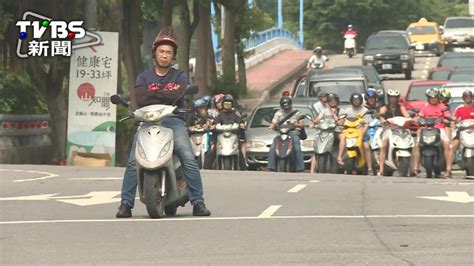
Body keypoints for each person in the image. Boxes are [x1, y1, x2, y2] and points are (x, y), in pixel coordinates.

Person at [116, 26, 211, 218]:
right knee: (134, 161)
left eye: (169, 52)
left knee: (187, 156)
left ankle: (198, 202)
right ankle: (125, 204)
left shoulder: (180, 76)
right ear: (154, 53)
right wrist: (165, 94)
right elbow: (141, 99)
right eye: (161, 51)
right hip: (147, 122)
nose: (165, 55)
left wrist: (155, 94)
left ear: (173, 55)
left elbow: (177, 94)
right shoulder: (143, 76)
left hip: (173, 121)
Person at [412, 88, 451, 177]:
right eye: (431, 97)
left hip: (439, 129)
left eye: (435, 97)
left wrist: (445, 120)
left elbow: (449, 117)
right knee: (417, 144)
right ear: (428, 98)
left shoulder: (443, 107)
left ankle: (448, 169)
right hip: (426, 129)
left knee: (446, 144)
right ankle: (415, 168)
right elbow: (419, 117)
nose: (433, 99)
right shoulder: (425, 108)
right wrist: (415, 120)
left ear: (438, 97)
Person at [337, 93, 376, 175]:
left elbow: (367, 124)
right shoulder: (347, 111)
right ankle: (340, 158)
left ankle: (369, 168)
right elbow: (341, 121)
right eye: (354, 100)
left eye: (358, 100)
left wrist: (363, 132)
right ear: (351, 101)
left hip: (361, 133)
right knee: (342, 141)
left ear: (361, 101)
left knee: (366, 147)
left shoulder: (365, 111)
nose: (356, 102)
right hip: (349, 132)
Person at [267, 96, 305, 172]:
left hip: (293, 133)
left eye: (287, 107)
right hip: (281, 134)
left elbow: (302, 125)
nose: (286, 108)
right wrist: (271, 127)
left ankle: (300, 167)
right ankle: (271, 166)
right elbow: (274, 123)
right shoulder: (278, 113)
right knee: (273, 147)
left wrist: (294, 124)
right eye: (284, 107)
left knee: (297, 147)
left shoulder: (297, 113)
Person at [377, 89, 411, 175]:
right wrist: (383, 120)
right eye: (391, 97)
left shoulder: (401, 107)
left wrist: (409, 119)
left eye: (395, 97)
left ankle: (413, 168)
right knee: (384, 145)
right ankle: (381, 168)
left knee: (410, 144)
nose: (393, 99)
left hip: (400, 129)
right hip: (388, 129)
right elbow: (381, 116)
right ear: (388, 98)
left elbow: (407, 115)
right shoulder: (384, 108)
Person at [310, 93, 342, 173]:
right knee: (316, 148)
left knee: (343, 137)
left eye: (334, 101)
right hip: (324, 131)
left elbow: (341, 122)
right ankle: (312, 170)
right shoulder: (324, 110)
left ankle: (339, 157)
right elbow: (318, 119)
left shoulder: (341, 110)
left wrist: (333, 114)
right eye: (330, 101)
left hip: (336, 131)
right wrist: (314, 123)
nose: (332, 102)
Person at [214, 94, 248, 169]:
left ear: (232, 104)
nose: (227, 105)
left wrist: (241, 124)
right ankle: (208, 166)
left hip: (233, 135)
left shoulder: (235, 113)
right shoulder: (219, 114)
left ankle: (243, 167)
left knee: (240, 151)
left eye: (229, 103)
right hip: (221, 135)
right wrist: (214, 125)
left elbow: (240, 119)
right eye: (226, 103)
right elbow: (215, 121)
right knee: (213, 149)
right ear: (223, 104)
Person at [446, 90, 473, 177]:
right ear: (463, 98)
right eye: (466, 97)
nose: (468, 99)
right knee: (453, 146)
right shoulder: (459, 108)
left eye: (470, 97)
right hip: (462, 131)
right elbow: (454, 118)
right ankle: (448, 169)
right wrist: (453, 124)